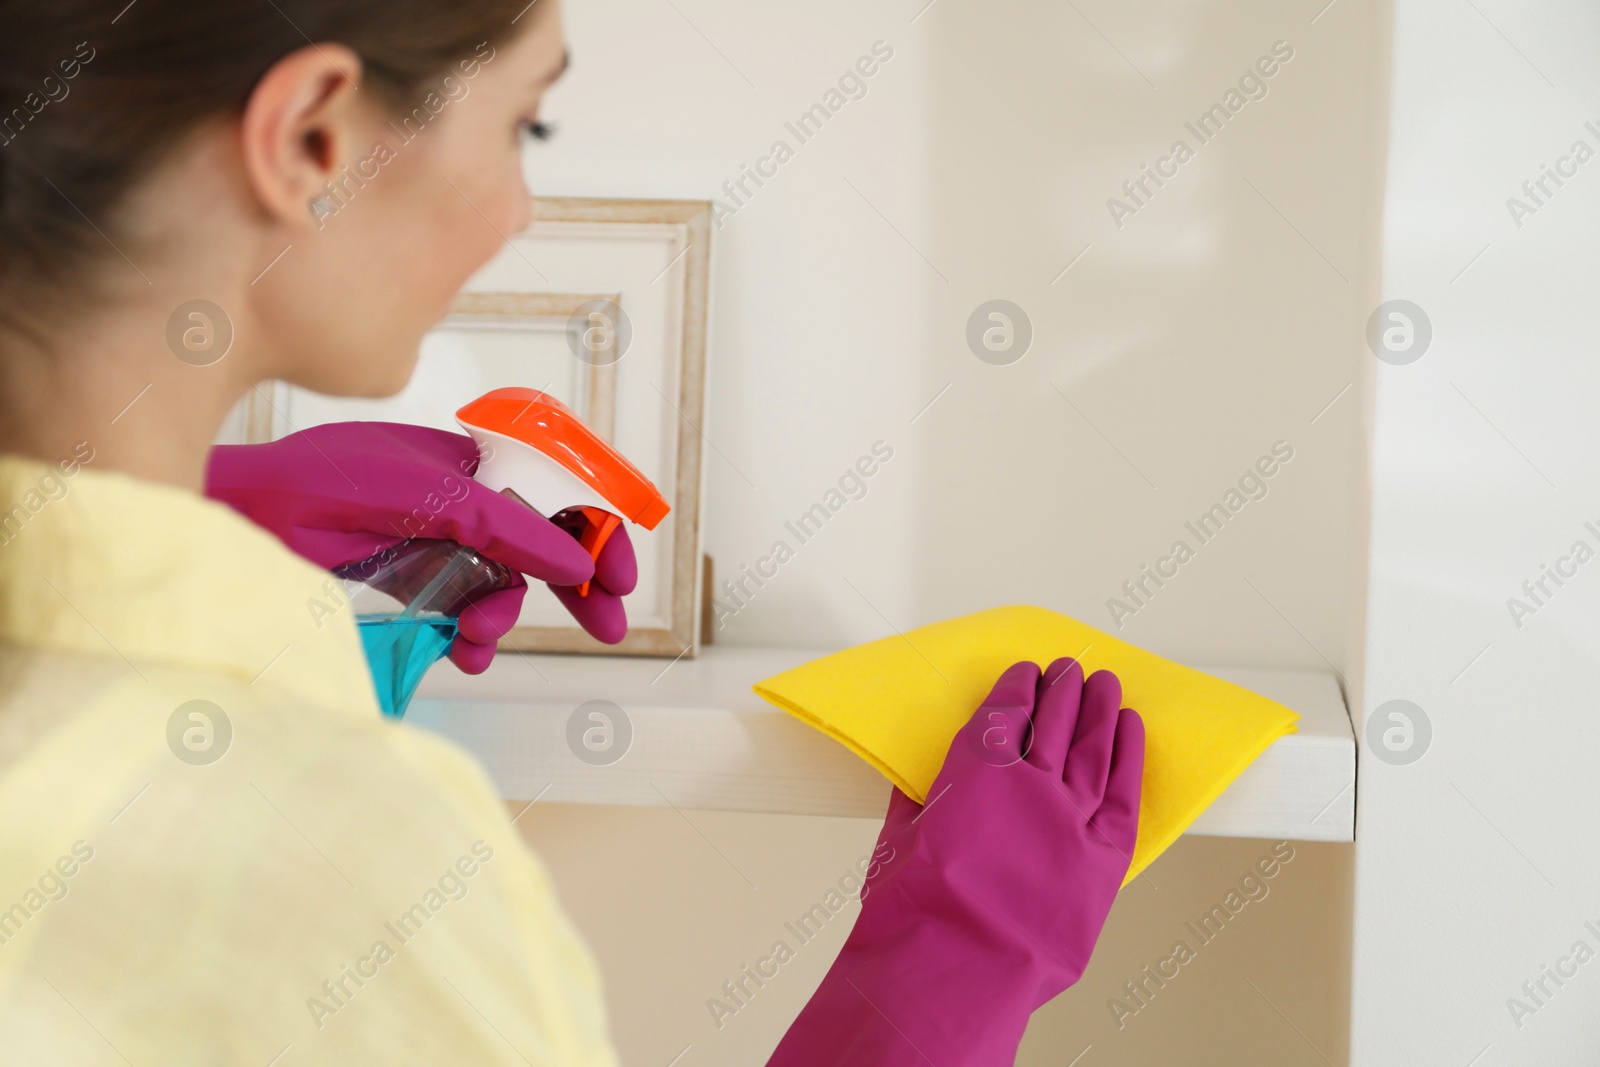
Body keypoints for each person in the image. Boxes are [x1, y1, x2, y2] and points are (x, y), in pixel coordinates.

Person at [0, 1, 1145, 1062]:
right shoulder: (352, 865)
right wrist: (953, 958)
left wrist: (211, 513)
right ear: (311, 138)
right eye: (525, 125)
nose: (519, 211)